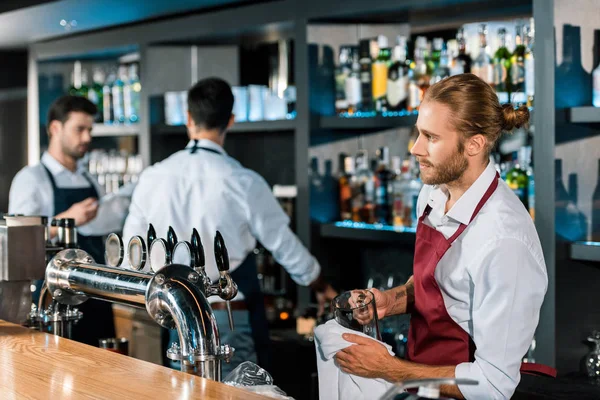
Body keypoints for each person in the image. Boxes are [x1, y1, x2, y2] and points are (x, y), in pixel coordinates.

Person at [334, 74, 548, 399]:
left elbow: (493, 385)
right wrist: (389, 302)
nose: (415, 149)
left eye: (430, 137)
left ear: (474, 144)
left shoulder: (504, 241)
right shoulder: (433, 192)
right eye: (418, 133)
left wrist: (389, 368)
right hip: (422, 388)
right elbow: (443, 287)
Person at [122, 77, 337, 375]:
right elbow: (284, 246)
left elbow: (132, 252)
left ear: (188, 118)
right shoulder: (243, 181)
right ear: (231, 121)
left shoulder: (153, 177)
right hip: (226, 317)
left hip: (173, 312)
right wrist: (320, 285)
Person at [8, 95, 133, 346]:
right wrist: (67, 219)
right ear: (55, 128)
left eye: (89, 130)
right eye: (80, 129)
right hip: (53, 302)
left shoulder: (88, 179)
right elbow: (16, 244)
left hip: (96, 298)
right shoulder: (31, 179)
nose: (87, 137)